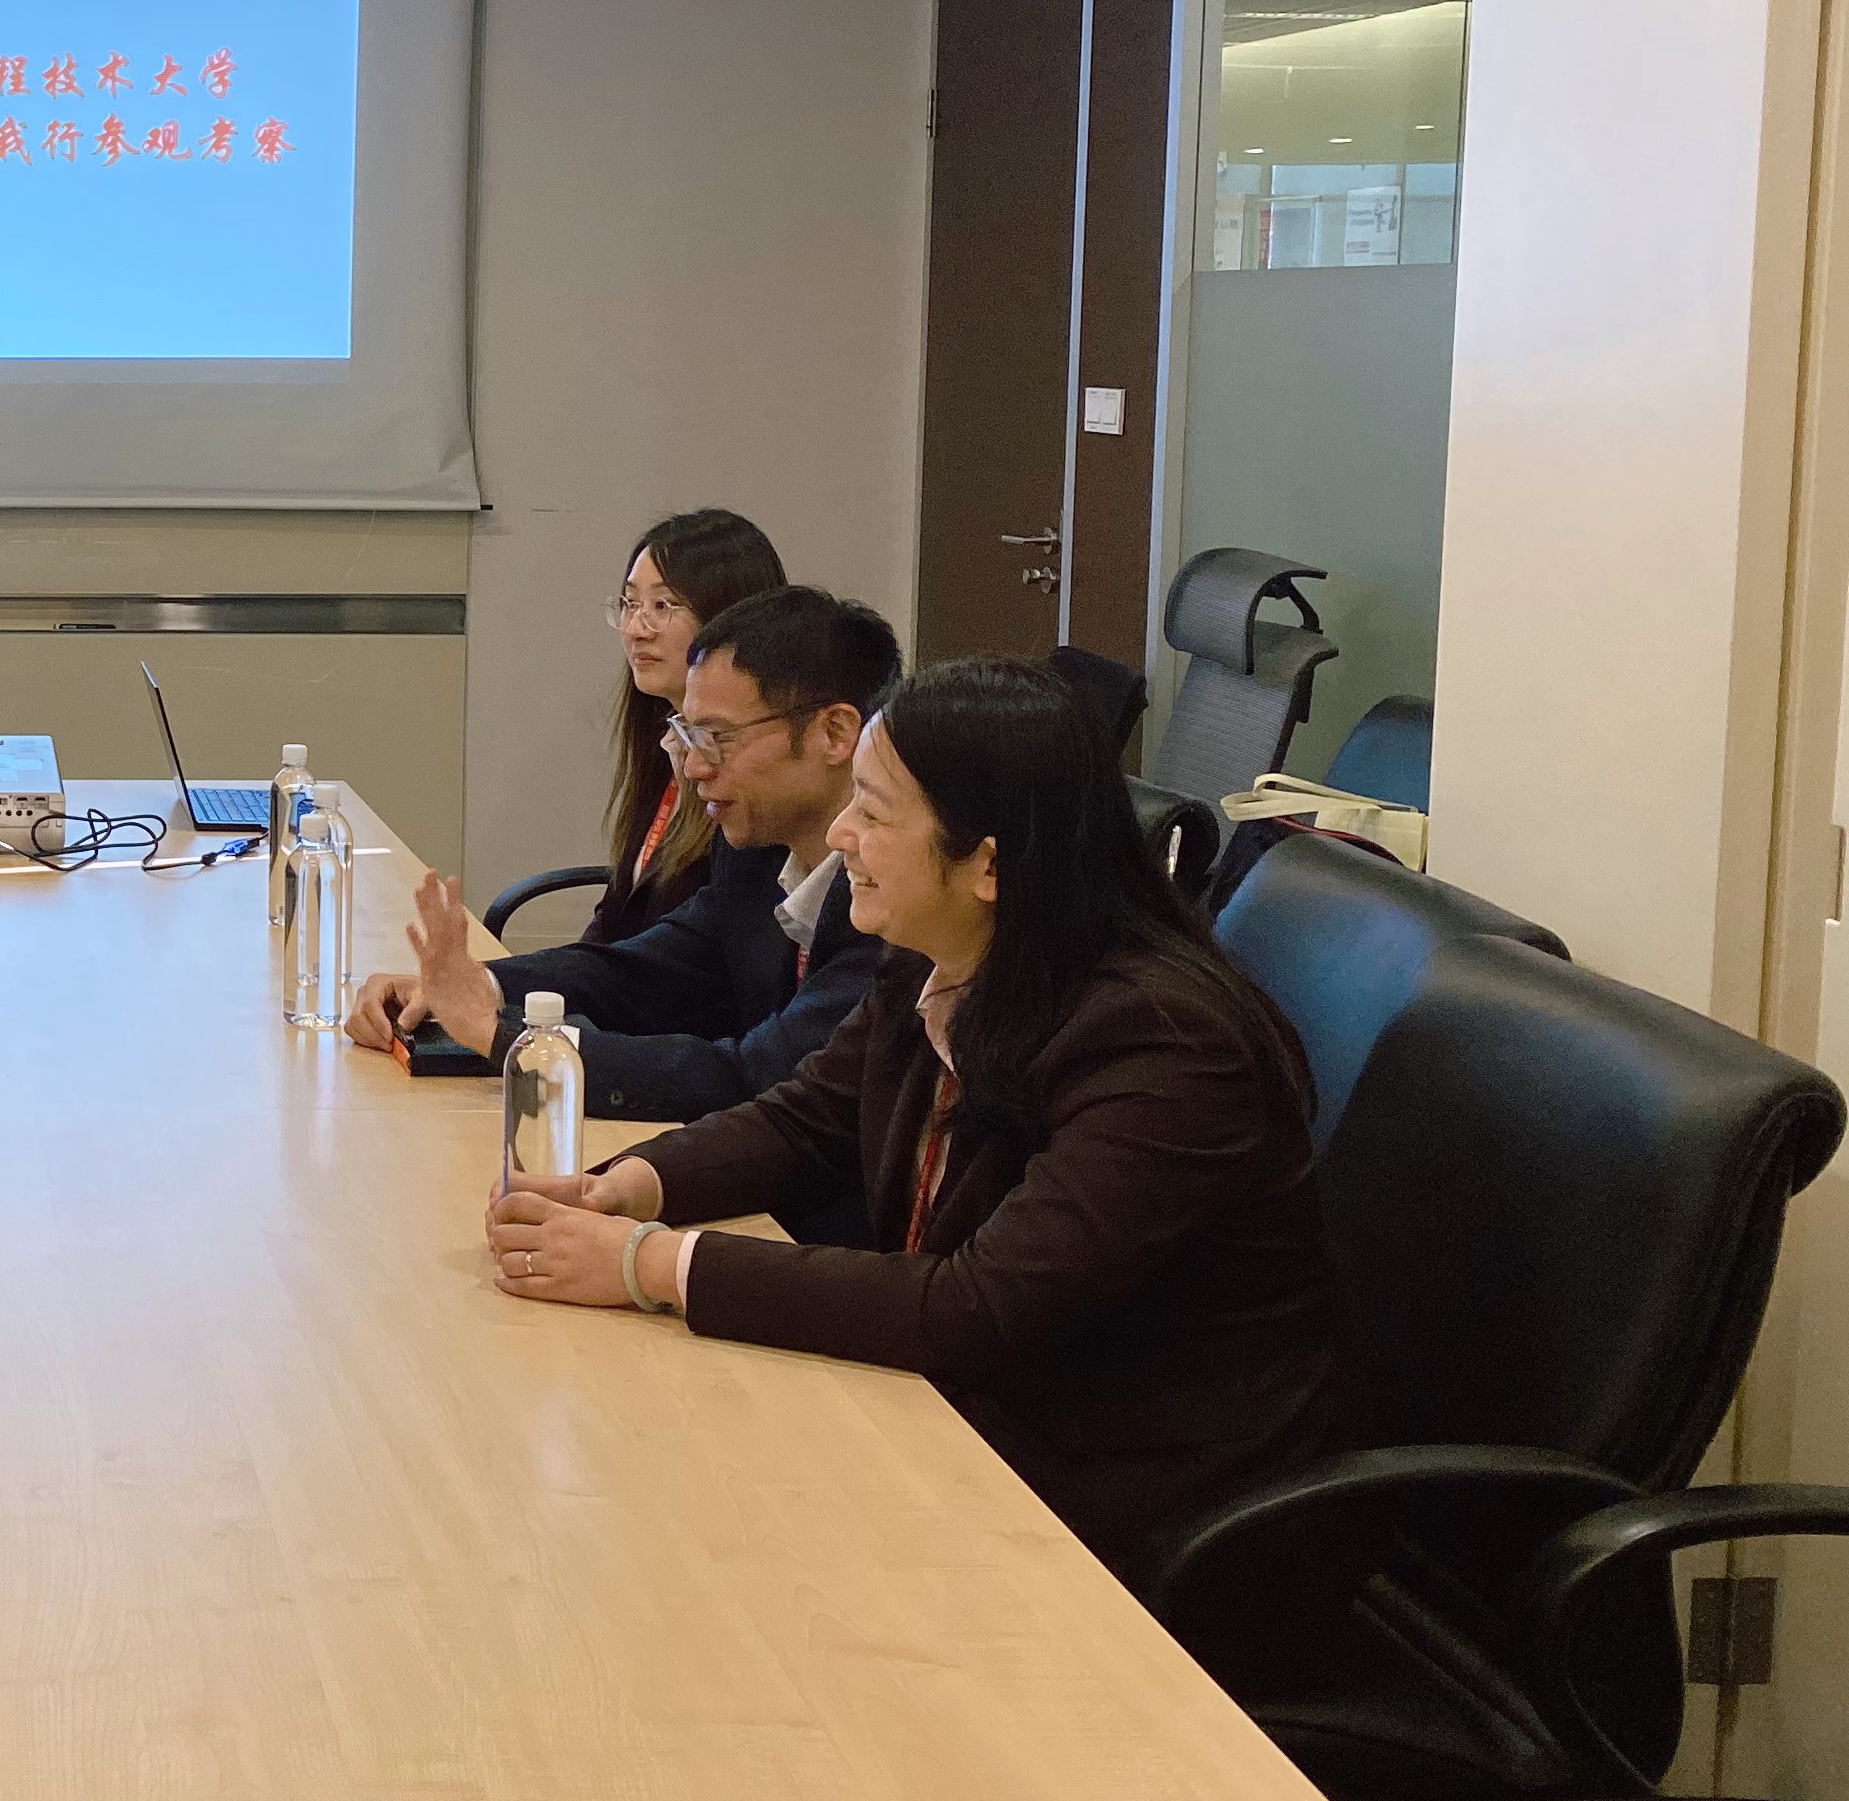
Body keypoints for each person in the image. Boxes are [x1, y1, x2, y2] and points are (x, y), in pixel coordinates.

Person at [482, 656, 1351, 1582]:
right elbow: (807, 1119)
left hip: (1121, 1503)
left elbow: (976, 1307)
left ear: (987, 864)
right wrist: (625, 1188)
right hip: (961, 1419)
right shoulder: (940, 953)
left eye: (873, 810)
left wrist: (648, 1265)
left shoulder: (1166, 1047)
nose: (841, 834)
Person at [350, 587, 899, 1163]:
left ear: (834, 734)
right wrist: (472, 985)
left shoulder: (892, 898)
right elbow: (644, 971)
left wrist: (511, 1039)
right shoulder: (758, 849)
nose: (693, 766)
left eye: (717, 738)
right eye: (689, 735)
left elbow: (754, 1077)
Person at [566, 509, 786, 947]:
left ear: (727, 617)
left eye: (662, 606)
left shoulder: (755, 775)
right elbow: (617, 914)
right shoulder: (665, 738)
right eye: (630, 604)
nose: (636, 629)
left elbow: (692, 957)